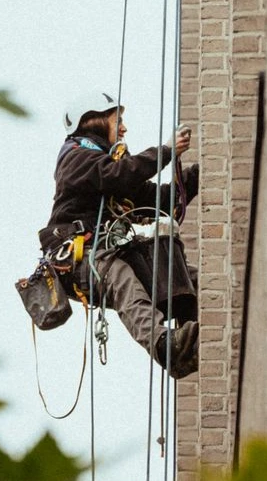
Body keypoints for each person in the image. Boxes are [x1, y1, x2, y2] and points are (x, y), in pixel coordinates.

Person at [38, 91, 200, 378]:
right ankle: (165, 346)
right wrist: (166, 151)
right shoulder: (75, 159)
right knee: (120, 276)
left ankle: (197, 331)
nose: (123, 128)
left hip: (105, 252)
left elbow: (159, 200)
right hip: (79, 258)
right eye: (118, 120)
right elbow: (119, 173)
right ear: (94, 121)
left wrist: (202, 173)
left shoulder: (107, 167)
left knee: (186, 273)